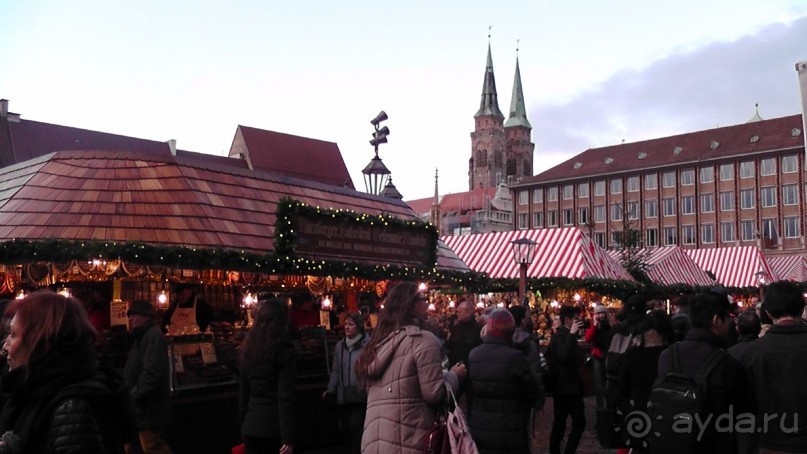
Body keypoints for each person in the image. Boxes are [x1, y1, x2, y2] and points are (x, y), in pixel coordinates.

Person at [0, 291, 137, 453]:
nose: (5, 347)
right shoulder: (40, 393)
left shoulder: (71, 408)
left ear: (40, 344)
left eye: (13, 335)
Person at [355, 282, 466, 454]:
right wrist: (454, 376)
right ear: (413, 305)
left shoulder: (376, 345)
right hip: (410, 441)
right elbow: (435, 394)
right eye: (424, 299)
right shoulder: (422, 340)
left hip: (374, 442)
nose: (428, 303)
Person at [654, 289, 749, 453]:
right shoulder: (729, 364)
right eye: (729, 319)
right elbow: (742, 414)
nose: (731, 324)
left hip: (672, 443)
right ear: (716, 320)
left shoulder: (667, 355)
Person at [741, 280, 807, 453]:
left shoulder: (751, 353)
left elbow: (745, 406)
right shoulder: (753, 352)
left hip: (770, 443)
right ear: (802, 309)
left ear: (768, 313)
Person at [466, 309, 539, 454]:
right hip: (509, 429)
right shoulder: (515, 357)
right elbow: (531, 392)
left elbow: (470, 391)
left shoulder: (474, 355)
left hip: (480, 427)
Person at [238, 297, 296, 454]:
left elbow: (244, 395)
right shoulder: (284, 352)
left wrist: (244, 425)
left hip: (251, 426)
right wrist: (288, 437)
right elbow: (285, 398)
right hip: (274, 429)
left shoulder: (247, 349)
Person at [616, 310, 673, 451]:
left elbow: (623, 388)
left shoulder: (632, 354)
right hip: (667, 416)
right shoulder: (672, 354)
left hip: (639, 415)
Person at [124, 300, 173, 454]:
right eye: (129, 315)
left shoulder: (152, 336)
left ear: (146, 317)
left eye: (134, 315)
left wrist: (133, 395)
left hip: (148, 407)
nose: (130, 319)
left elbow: (152, 374)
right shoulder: (143, 337)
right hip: (141, 408)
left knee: (152, 446)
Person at [323, 312, 368, 454]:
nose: (347, 327)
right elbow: (336, 370)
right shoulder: (340, 346)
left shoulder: (366, 345)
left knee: (355, 428)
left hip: (360, 395)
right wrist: (331, 390)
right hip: (343, 396)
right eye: (346, 324)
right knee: (346, 431)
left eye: (351, 324)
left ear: (359, 326)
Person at [548, 305, 586, 454]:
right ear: (568, 320)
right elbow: (563, 356)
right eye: (575, 319)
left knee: (562, 421)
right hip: (565, 387)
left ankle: (556, 450)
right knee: (572, 421)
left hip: (569, 385)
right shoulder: (559, 337)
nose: (577, 322)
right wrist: (572, 335)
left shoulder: (568, 336)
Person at [584, 303, 612, 410]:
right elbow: (588, 339)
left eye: (602, 313)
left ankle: (608, 408)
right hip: (597, 356)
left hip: (608, 355)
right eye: (598, 313)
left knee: (608, 383)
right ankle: (601, 409)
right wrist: (595, 326)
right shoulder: (594, 326)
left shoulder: (610, 325)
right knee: (599, 385)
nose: (600, 316)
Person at [445, 300, 482, 366]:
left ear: (468, 313)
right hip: (455, 367)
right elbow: (449, 346)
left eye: (460, 312)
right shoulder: (455, 329)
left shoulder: (478, 330)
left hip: (471, 366)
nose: (457, 314)